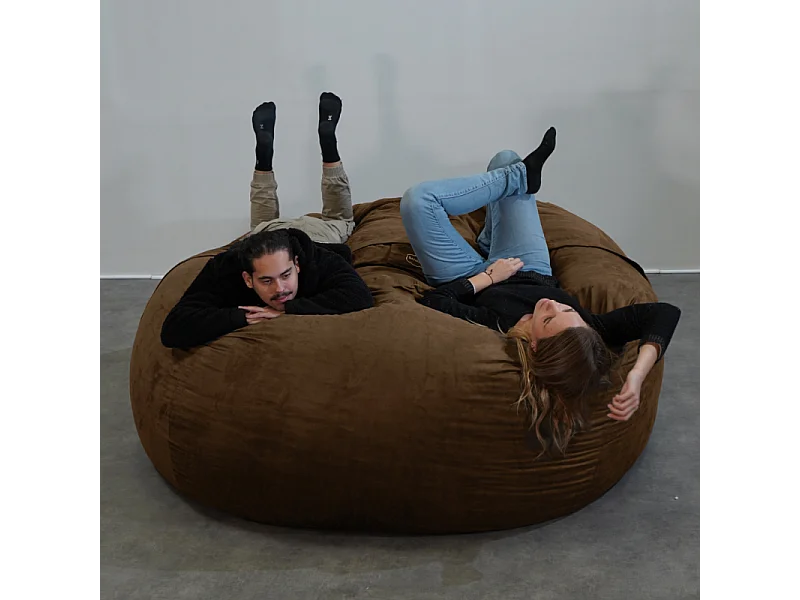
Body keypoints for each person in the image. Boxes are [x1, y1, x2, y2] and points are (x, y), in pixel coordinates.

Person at [400, 127, 681, 456]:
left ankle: (520, 178)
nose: (550, 304)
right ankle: (508, 197)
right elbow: (665, 313)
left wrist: (489, 277)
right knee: (505, 158)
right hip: (528, 263)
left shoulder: (499, 326)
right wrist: (636, 375)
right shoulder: (590, 330)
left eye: (547, 320)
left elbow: (435, 301)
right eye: (567, 309)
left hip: (469, 275)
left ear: (534, 344)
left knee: (418, 201)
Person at [161, 93, 373, 349]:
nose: (280, 289)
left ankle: (266, 157)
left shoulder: (318, 258)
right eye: (266, 281)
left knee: (335, 221)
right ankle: (327, 149)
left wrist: (287, 310)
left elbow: (359, 297)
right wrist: (243, 317)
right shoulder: (227, 267)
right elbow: (172, 330)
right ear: (247, 279)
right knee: (331, 218)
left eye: (285, 275)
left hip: (316, 236)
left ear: (297, 264)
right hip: (274, 232)